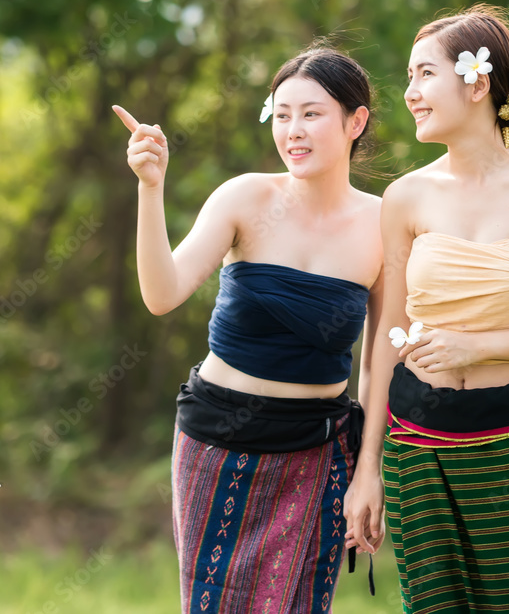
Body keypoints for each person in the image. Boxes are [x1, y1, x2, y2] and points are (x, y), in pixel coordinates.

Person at [343, 5, 509, 613]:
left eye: (423, 76)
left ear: (475, 82)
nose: (409, 94)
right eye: (409, 78)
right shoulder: (406, 196)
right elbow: (384, 334)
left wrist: (482, 345)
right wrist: (368, 468)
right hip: (416, 441)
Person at [113, 44, 383, 613]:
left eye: (311, 114)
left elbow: (380, 359)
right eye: (282, 115)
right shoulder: (245, 196)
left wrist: (368, 472)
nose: (294, 131)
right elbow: (162, 295)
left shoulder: (384, 224)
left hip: (318, 451)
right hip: (217, 443)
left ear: (355, 120)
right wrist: (151, 186)